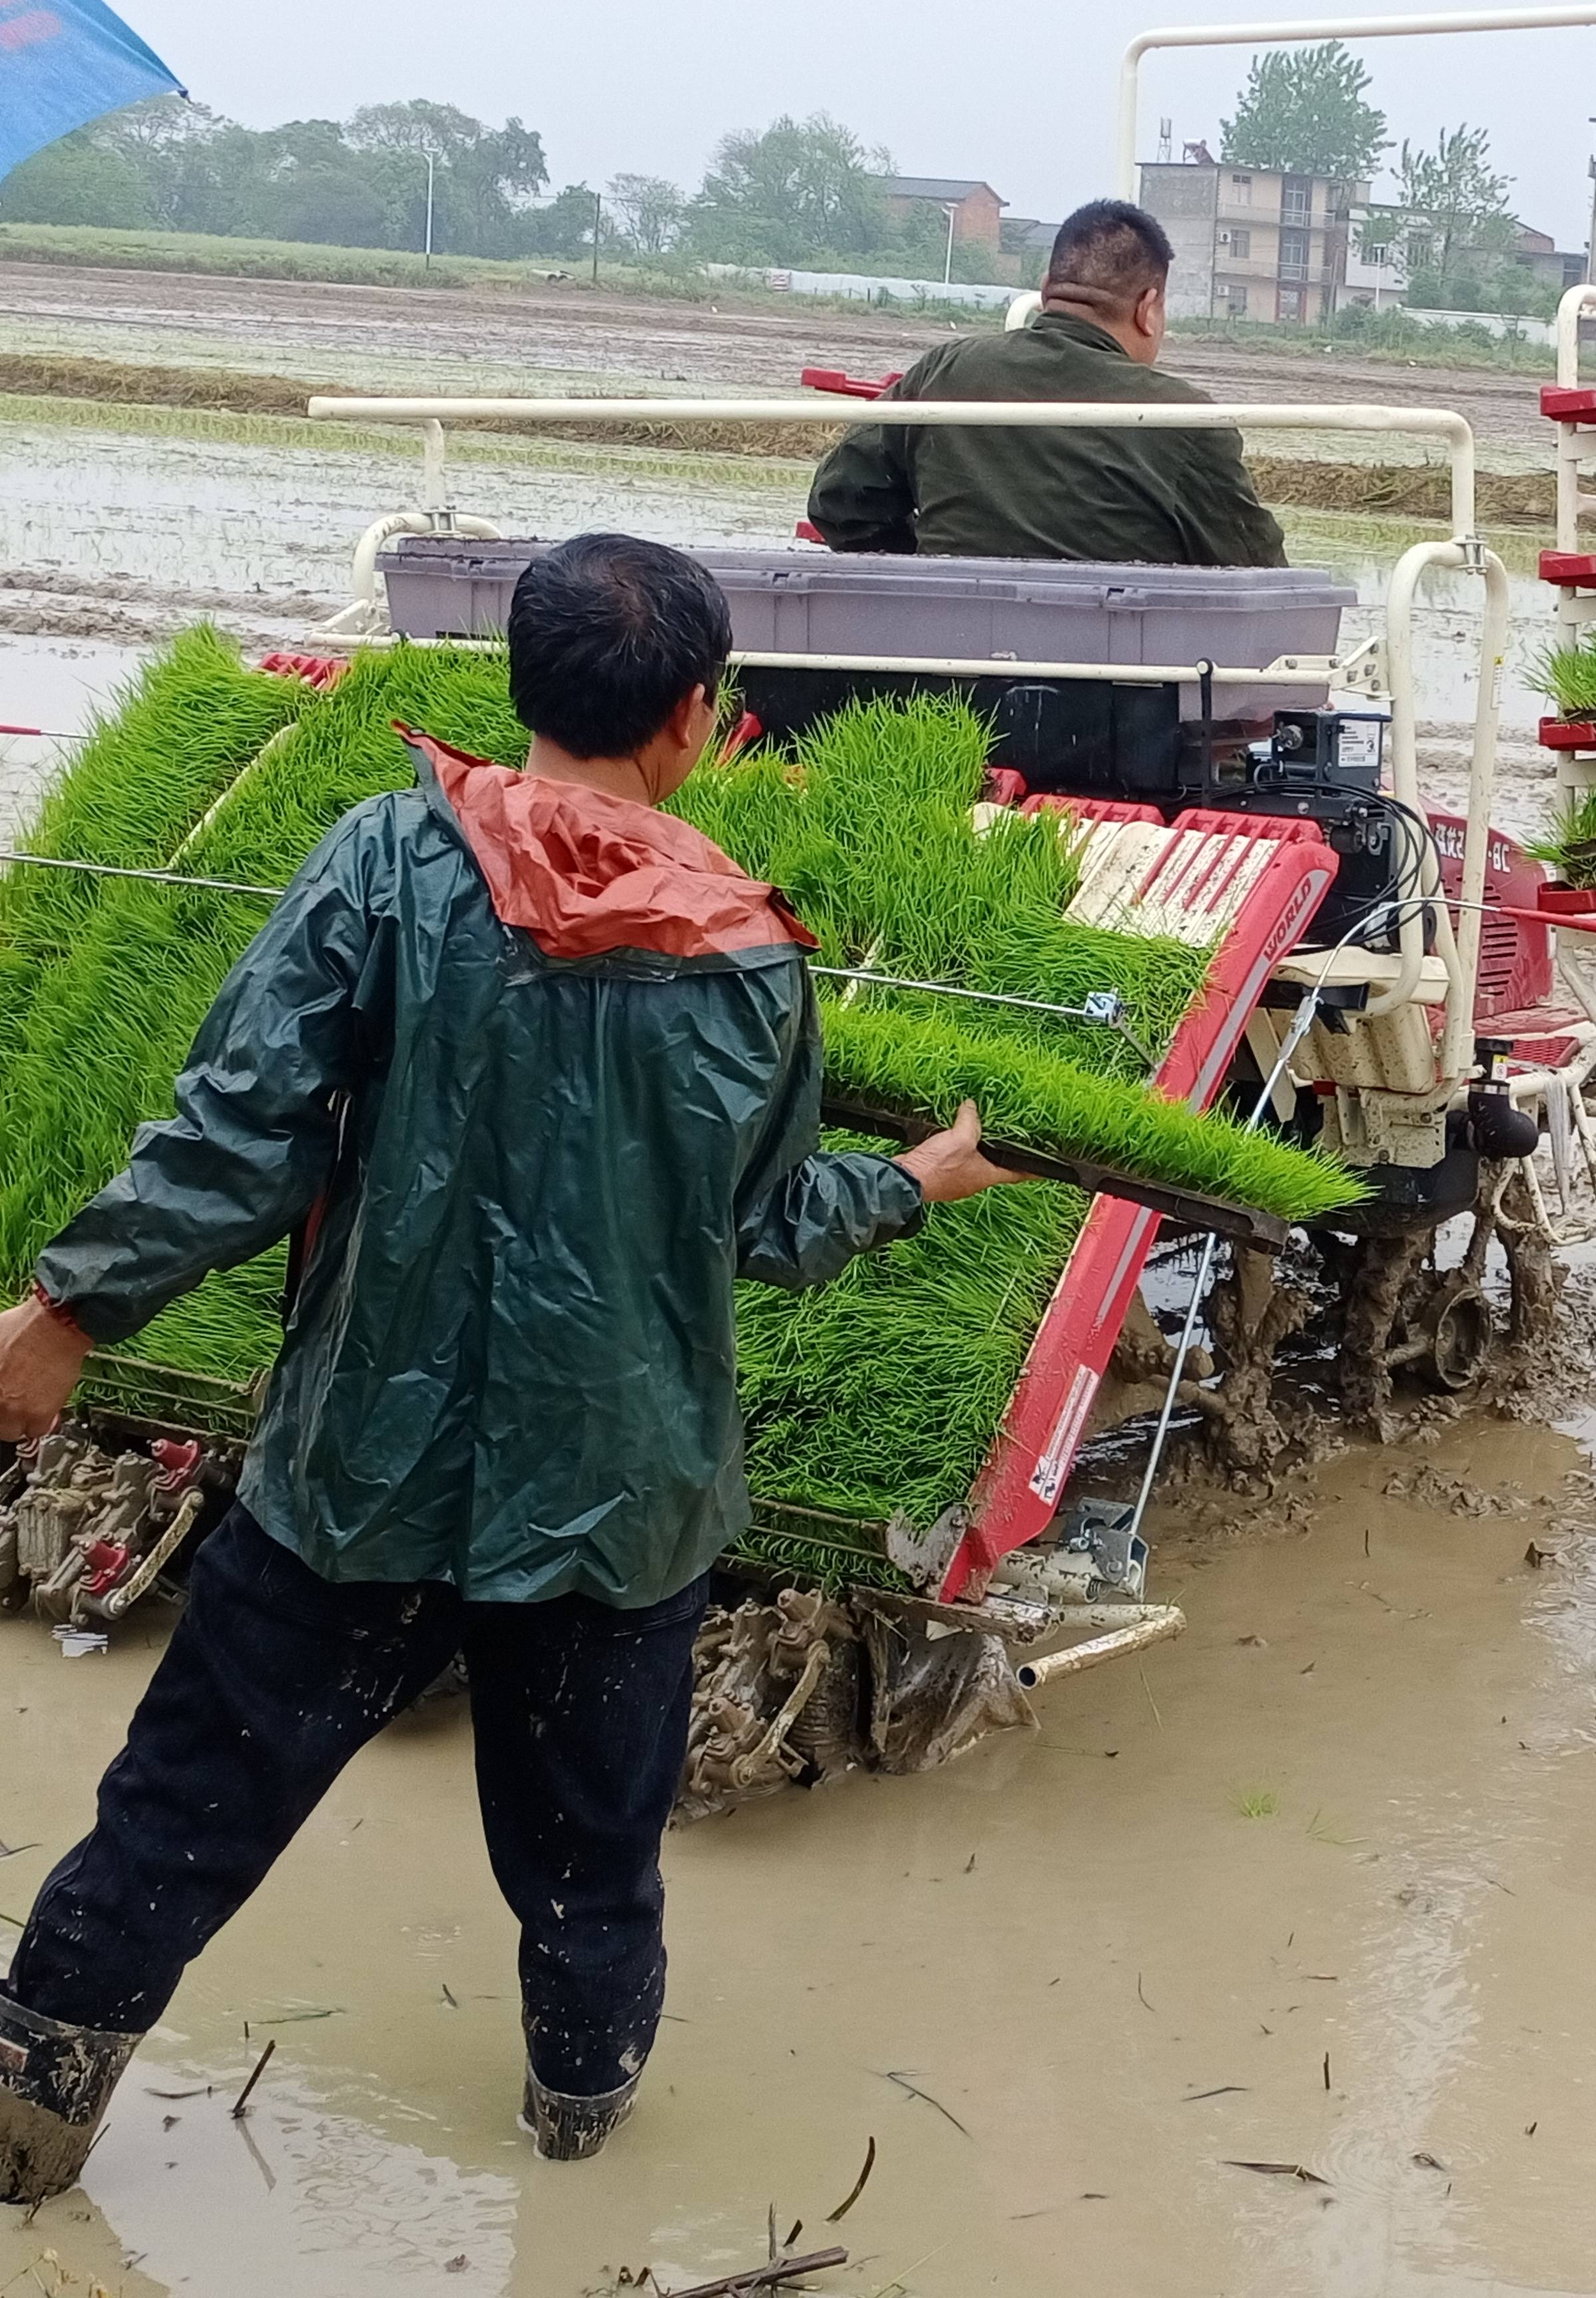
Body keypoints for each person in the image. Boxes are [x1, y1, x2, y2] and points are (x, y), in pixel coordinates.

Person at [0, 535, 1026, 2202]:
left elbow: (238, 1137)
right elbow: (764, 1226)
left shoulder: (388, 862)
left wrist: (64, 1311)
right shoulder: (748, 953)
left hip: (352, 1477)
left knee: (173, 1821)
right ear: (695, 717)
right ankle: (573, 2150)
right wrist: (919, 1178)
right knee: (588, 1874)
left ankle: (24, 2141)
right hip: (616, 1506)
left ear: (526, 688)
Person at [805, 197, 1289, 567]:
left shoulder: (946, 371)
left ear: (1046, 290)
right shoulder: (1180, 420)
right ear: (1148, 308)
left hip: (943, 671)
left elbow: (839, 501)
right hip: (1111, 686)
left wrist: (927, 569)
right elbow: (1259, 574)